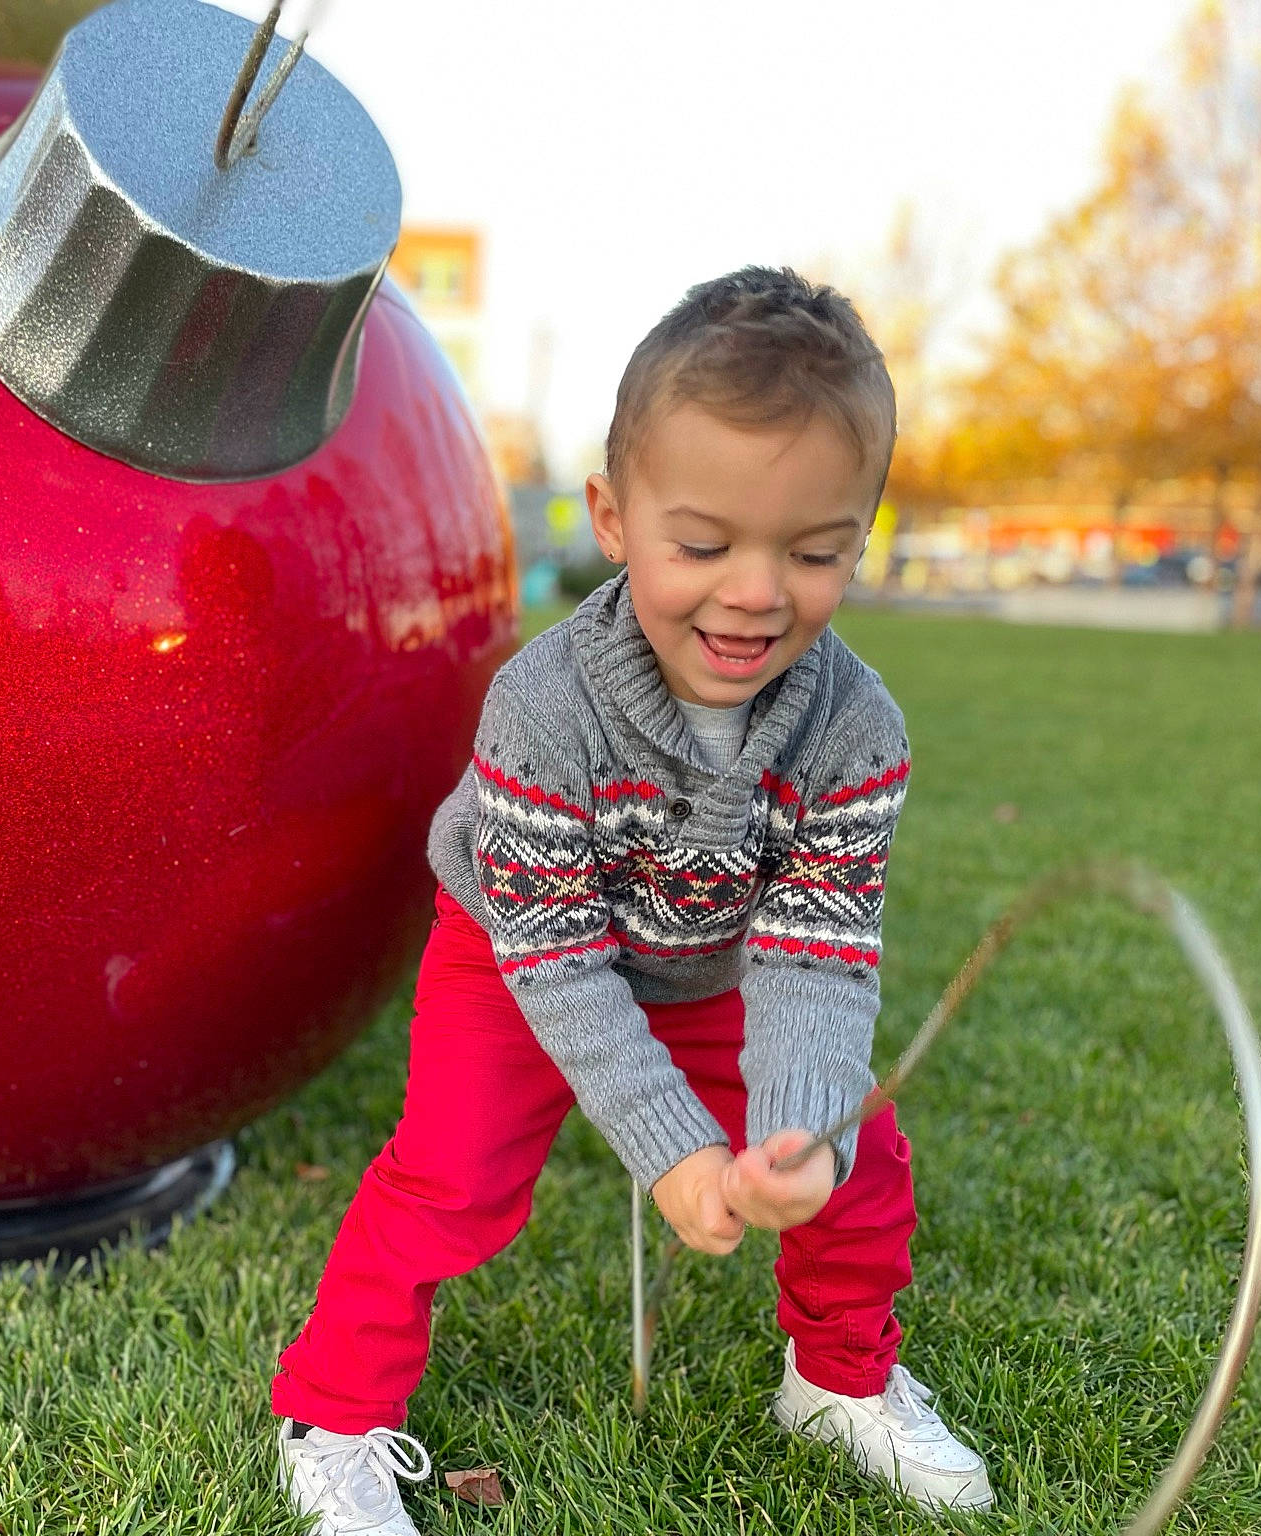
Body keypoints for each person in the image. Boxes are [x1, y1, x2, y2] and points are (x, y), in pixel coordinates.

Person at [272, 266, 994, 1535]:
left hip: (713, 960)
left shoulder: (855, 730)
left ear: (857, 539)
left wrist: (795, 1131)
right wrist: (671, 1152)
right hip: (514, 953)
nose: (754, 591)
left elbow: (815, 956)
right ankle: (329, 1416)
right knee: (449, 1176)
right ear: (610, 517)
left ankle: (835, 1380)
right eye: (702, 545)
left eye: (811, 552)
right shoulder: (539, 710)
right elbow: (556, 966)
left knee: (858, 1156)